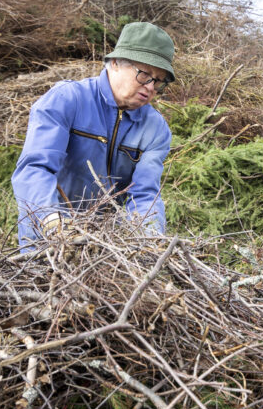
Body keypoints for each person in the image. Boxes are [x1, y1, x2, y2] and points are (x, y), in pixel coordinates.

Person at [11, 22, 175, 248]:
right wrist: (53, 223)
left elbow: (145, 195)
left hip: (104, 246)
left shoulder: (155, 129)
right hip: (44, 239)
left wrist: (149, 241)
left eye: (158, 81)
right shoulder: (68, 99)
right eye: (144, 74)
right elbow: (35, 169)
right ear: (115, 63)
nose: (150, 87)